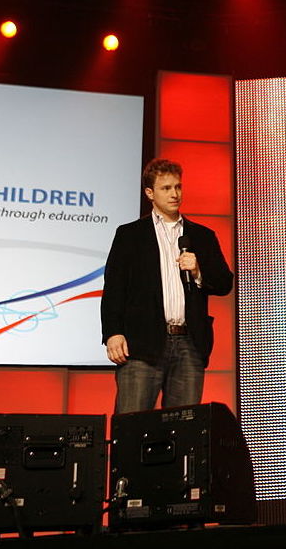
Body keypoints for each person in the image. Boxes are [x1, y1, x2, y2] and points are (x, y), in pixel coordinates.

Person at [101, 158, 233, 412]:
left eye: (178, 187)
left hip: (189, 345)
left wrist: (197, 271)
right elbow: (114, 288)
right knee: (133, 426)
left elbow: (224, 283)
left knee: (183, 431)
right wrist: (112, 333)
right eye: (166, 188)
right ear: (150, 193)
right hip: (141, 345)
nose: (175, 194)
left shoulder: (202, 236)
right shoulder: (130, 235)